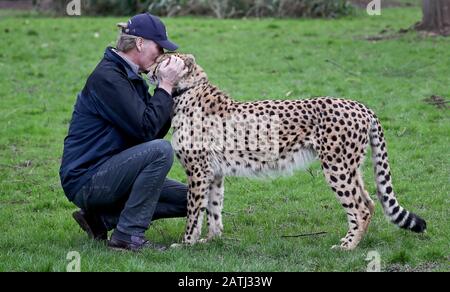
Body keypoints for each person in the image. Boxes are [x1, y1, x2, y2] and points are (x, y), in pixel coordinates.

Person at [59, 13, 188, 252]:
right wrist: (165, 86)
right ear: (140, 43)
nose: (162, 55)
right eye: (159, 47)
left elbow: (152, 129)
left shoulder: (131, 75)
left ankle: (101, 220)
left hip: (112, 172)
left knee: (193, 199)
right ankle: (127, 237)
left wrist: (172, 90)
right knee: (161, 151)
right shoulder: (109, 77)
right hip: (87, 179)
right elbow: (147, 131)